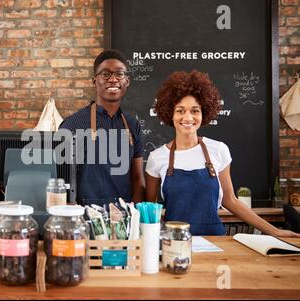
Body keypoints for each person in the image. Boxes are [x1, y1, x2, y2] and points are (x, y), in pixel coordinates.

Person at [145, 70, 300, 237]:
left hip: (215, 241)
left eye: (195, 110)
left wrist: (274, 231)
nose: (188, 117)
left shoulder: (218, 150)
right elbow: (148, 210)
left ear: (204, 113)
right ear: (170, 114)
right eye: (180, 110)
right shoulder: (157, 157)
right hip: (173, 243)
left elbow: (230, 200)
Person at [59, 49, 145, 206]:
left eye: (119, 74)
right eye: (105, 74)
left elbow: (138, 179)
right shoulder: (73, 125)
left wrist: (134, 216)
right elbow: (61, 180)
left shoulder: (133, 125)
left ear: (127, 81)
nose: (113, 79)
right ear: (94, 81)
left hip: (122, 219)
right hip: (85, 218)